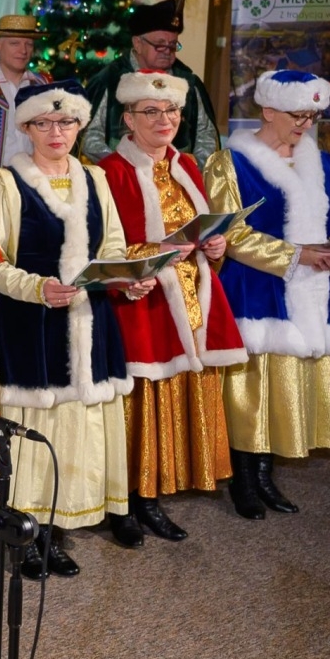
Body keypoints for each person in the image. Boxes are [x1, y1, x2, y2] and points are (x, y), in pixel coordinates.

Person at [0, 81, 146, 579]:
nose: (57, 132)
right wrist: (36, 288)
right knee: (35, 428)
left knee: (78, 426)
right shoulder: (5, 183)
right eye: (44, 123)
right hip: (31, 322)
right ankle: (24, 533)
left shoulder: (95, 178)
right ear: (26, 128)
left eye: (67, 121)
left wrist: (126, 279)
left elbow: (112, 246)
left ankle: (57, 527)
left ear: (79, 125)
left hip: (91, 322)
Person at [204, 70, 330, 518]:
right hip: (256, 290)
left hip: (314, 291)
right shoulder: (231, 164)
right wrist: (297, 255)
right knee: (253, 390)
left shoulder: (323, 163)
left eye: (312, 116)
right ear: (268, 110)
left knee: (288, 387)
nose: (305, 124)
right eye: (297, 115)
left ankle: (266, 475)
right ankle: (244, 478)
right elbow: (231, 234)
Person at [97, 73, 248, 547]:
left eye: (171, 111)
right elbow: (106, 250)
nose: (164, 120)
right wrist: (157, 249)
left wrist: (216, 245)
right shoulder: (109, 171)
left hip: (192, 297)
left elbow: (200, 232)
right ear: (128, 119)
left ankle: (154, 493)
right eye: (150, 112)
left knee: (177, 396)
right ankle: (126, 503)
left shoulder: (187, 165)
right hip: (143, 301)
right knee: (141, 401)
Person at [80, 0, 220, 163]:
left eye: (172, 45)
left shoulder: (189, 82)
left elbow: (206, 135)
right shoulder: (109, 80)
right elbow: (89, 136)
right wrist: (123, 167)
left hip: (177, 173)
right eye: (159, 45)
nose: (167, 51)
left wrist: (189, 170)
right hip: (121, 172)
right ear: (138, 44)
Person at [0, 14, 51, 168]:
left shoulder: (44, 85)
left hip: (36, 177)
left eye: (29, 44)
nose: (23, 50)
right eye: (14, 43)